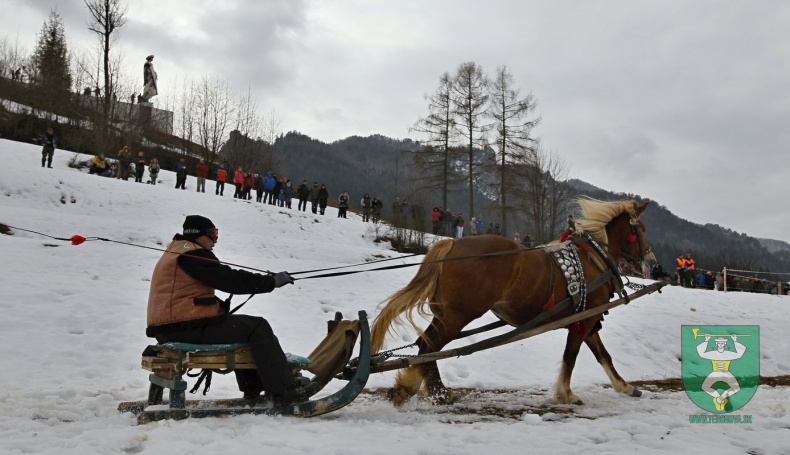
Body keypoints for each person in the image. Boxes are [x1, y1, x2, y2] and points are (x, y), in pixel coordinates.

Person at [145, 215, 320, 405]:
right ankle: (284, 392)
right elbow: (230, 280)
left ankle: (255, 389)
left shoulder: (178, 251)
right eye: (212, 234)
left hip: (171, 327)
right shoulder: (194, 255)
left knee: (243, 328)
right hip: (183, 328)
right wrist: (271, 282)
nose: (215, 240)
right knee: (257, 327)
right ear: (197, 235)